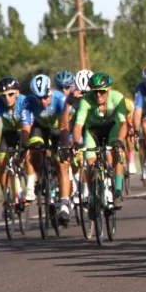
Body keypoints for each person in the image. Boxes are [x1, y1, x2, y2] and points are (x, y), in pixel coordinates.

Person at [72, 72, 128, 211]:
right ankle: (93, 197)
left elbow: (123, 124)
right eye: (95, 92)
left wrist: (119, 141)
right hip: (93, 131)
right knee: (91, 164)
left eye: (101, 92)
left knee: (117, 152)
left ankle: (117, 190)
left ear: (109, 89)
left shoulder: (117, 98)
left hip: (111, 129)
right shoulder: (85, 101)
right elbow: (78, 125)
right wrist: (76, 142)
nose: (98, 95)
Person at [21, 74, 71, 223]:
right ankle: (42, 175)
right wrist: (25, 148)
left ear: (50, 91)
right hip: (40, 128)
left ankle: (64, 204)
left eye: (45, 97)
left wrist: (65, 147)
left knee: (61, 164)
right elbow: (25, 128)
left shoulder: (60, 98)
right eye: (38, 98)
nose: (42, 101)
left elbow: (65, 126)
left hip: (58, 129)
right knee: (34, 148)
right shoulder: (28, 101)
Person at [0, 77, 27, 218]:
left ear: (17, 93)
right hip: (8, 133)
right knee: (2, 163)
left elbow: (26, 127)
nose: (7, 98)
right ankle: (7, 198)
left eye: (10, 94)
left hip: (23, 132)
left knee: (27, 158)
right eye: (3, 95)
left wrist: (24, 148)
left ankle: (28, 191)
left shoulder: (24, 101)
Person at [59, 69, 91, 205]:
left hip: (92, 126)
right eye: (81, 91)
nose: (83, 95)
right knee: (76, 151)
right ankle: (80, 185)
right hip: (77, 127)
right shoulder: (72, 98)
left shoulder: (98, 96)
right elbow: (64, 123)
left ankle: (106, 184)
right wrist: (69, 102)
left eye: (87, 92)